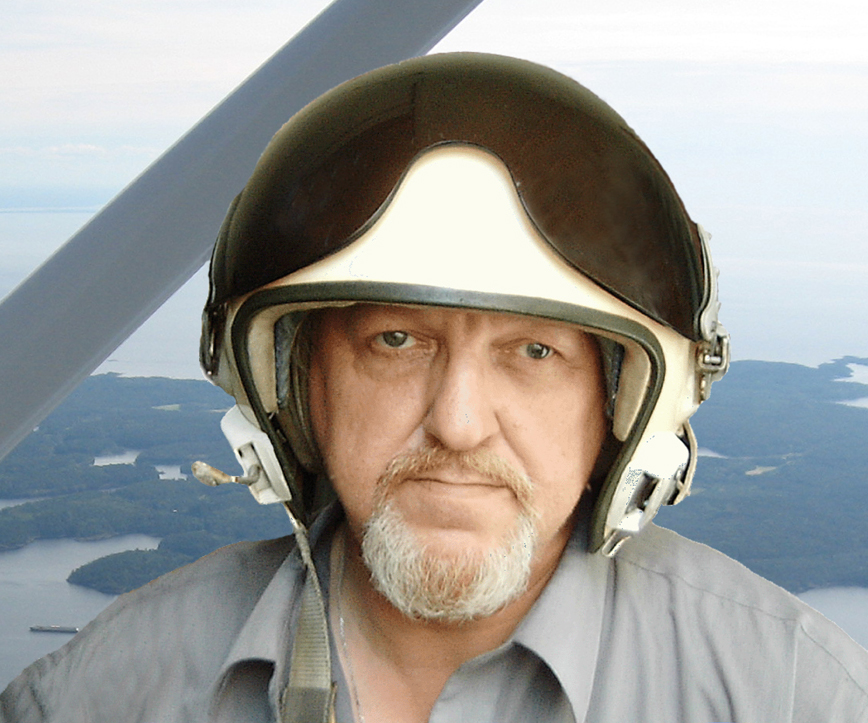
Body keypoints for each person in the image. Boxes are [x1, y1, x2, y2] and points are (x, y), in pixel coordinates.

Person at [3, 52, 867, 723]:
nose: (457, 423)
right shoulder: (100, 693)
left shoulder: (795, 693)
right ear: (299, 386)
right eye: (396, 341)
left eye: (534, 352)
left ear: (620, 408)